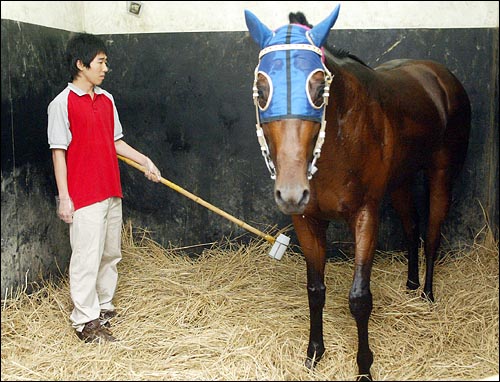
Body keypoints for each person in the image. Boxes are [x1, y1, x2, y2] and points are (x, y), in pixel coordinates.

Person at [47, 33, 162, 343]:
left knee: (110, 253)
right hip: (84, 194)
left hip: (111, 188)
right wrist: (65, 198)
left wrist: (145, 161)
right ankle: (85, 321)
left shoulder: (107, 99)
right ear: (81, 64)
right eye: (100, 62)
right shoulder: (61, 104)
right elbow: (58, 153)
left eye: (106, 62)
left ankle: (104, 307)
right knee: (86, 256)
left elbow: (116, 142)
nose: (105, 68)